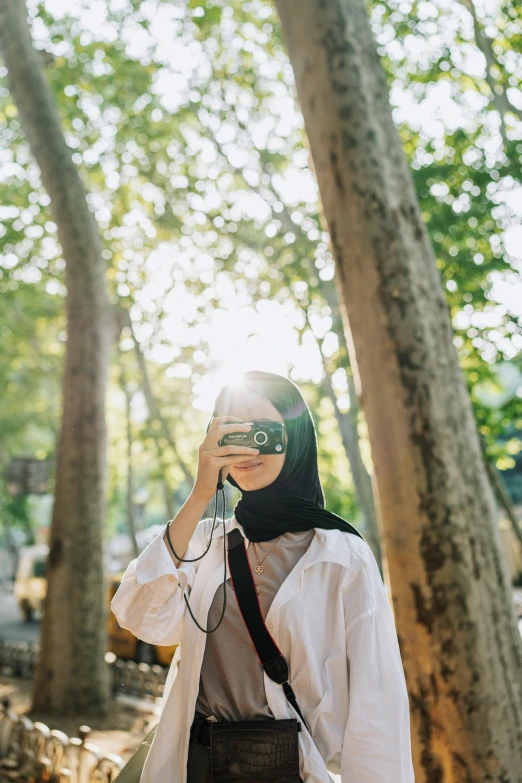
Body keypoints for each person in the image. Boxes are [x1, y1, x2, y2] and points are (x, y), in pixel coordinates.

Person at [111, 371, 415, 783]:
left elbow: (376, 703)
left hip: (286, 768)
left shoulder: (342, 556)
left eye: (263, 430)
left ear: (295, 436)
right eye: (232, 430)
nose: (247, 446)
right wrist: (201, 492)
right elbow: (140, 616)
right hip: (194, 763)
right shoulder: (205, 541)